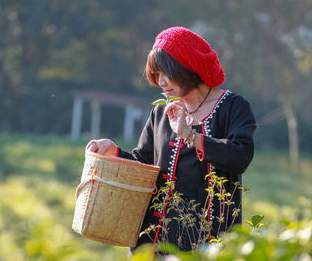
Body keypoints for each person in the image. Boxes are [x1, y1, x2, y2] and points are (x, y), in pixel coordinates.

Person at [87, 26, 257, 251]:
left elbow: (240, 155)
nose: (161, 81)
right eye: (156, 74)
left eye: (165, 72)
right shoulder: (161, 113)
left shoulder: (233, 107)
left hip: (209, 245)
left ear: (188, 66)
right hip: (153, 242)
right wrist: (114, 152)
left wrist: (191, 136)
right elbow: (145, 165)